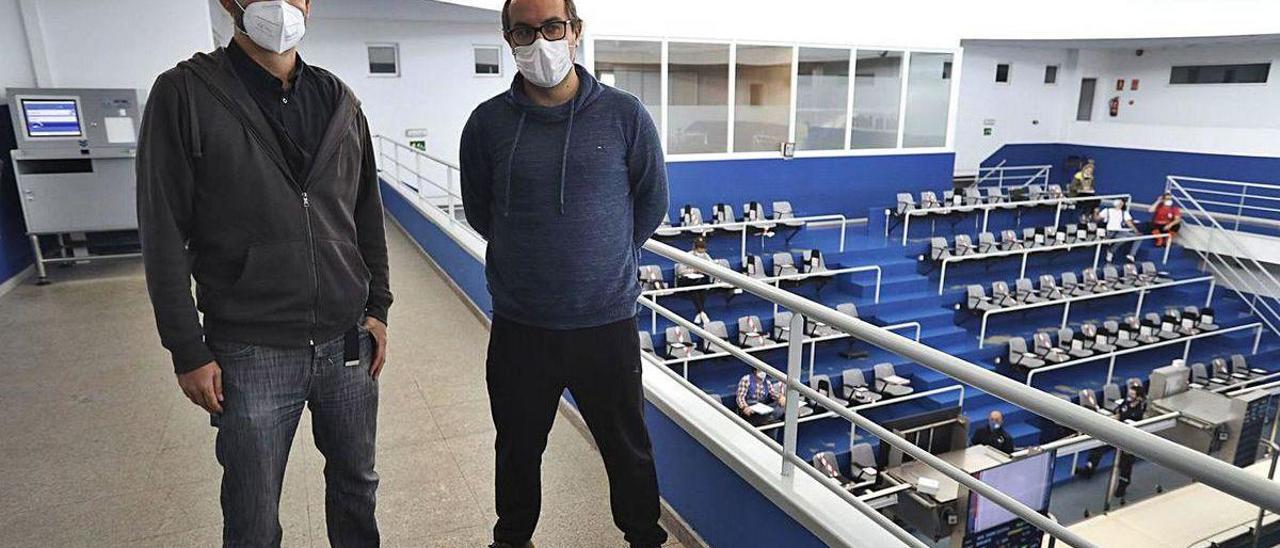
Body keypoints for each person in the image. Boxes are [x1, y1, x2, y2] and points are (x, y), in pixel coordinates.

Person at [137, 0, 392, 545]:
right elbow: (162, 233)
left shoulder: (340, 101)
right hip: (250, 351)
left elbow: (366, 213)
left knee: (357, 490)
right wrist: (188, 349)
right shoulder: (185, 95)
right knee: (252, 513)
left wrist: (378, 309)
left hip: (346, 342)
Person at [458, 0, 670, 546]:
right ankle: (513, 537)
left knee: (628, 448)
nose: (540, 42)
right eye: (524, 31)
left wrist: (599, 258)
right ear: (508, 39)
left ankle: (643, 536)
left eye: (552, 27)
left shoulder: (626, 116)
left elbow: (650, 204)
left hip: (605, 324)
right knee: (518, 448)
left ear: (575, 32)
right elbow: (481, 211)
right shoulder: (486, 125)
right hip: (521, 327)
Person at [1078, 385, 1147, 500]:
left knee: (1125, 463)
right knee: (1098, 447)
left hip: (1129, 438)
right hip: (1116, 433)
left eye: (1132, 395)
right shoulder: (1126, 403)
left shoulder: (1141, 409)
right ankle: (1089, 469)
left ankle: (1123, 485)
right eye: (1129, 394)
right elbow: (1118, 414)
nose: (1130, 396)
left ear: (1139, 397)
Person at [1096, 198, 1142, 263]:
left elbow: (1130, 224)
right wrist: (1095, 212)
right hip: (1110, 232)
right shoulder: (1107, 210)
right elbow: (1097, 219)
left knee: (1139, 237)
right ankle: (1111, 251)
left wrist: (1137, 232)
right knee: (1123, 237)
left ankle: (1131, 255)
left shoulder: (1124, 213)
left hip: (1120, 231)